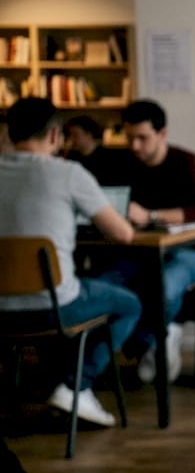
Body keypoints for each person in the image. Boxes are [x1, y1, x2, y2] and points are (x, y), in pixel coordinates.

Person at [0, 97, 140, 427]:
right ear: (55, 135)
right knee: (129, 304)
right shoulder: (68, 174)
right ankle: (77, 386)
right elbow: (123, 234)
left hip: (2, 310)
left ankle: (51, 384)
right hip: (53, 306)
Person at [106, 99, 195, 378]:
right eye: (129, 138)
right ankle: (148, 340)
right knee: (103, 284)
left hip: (190, 253)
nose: (135, 146)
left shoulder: (186, 161)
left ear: (162, 134)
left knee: (164, 287)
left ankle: (155, 338)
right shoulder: (123, 163)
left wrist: (151, 215)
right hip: (139, 253)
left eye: (142, 138)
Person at [60, 115, 134, 187]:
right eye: (70, 135)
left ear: (89, 134)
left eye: (75, 135)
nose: (71, 139)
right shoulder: (72, 157)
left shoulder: (109, 158)